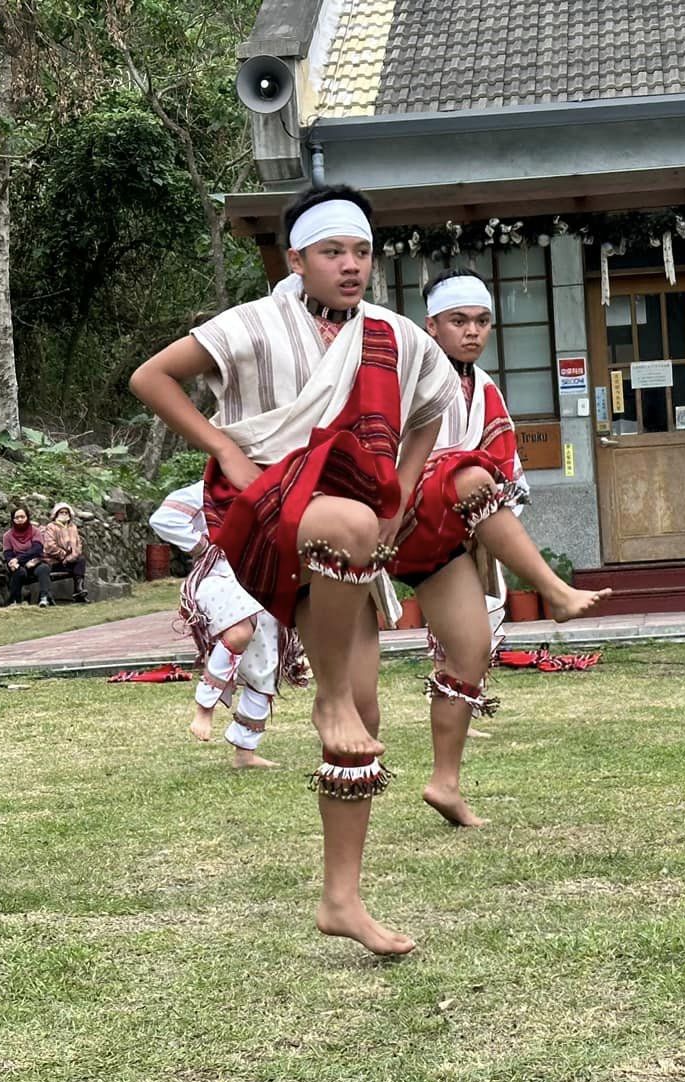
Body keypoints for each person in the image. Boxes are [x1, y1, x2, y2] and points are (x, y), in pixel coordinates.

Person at [128, 184, 458, 956]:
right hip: (262, 510)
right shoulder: (251, 324)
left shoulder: (396, 337)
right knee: (350, 532)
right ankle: (327, 697)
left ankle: (342, 899)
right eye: (332, 251)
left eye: (362, 252)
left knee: (366, 721)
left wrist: (403, 488)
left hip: (343, 545)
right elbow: (151, 377)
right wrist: (223, 447)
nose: (351, 265)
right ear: (296, 259)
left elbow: (430, 408)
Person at [389, 268, 610, 826]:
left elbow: (506, 467)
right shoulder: (404, 375)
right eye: (458, 321)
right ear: (431, 325)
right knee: (469, 474)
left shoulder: (483, 386)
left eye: (482, 321)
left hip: (444, 529)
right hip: (395, 513)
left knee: (470, 649)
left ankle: (445, 783)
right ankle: (554, 591)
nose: (472, 331)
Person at [148, 480, 290, 769]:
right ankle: (204, 708)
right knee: (240, 632)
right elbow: (164, 518)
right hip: (219, 575)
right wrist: (203, 546)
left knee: (264, 668)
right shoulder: (212, 488)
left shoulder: (279, 484)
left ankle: (245, 752)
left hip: (261, 580)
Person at [0, 507, 51, 606]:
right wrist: (12, 562)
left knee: (43, 568)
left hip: (34, 562)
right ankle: (15, 601)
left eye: (22, 517)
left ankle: (44, 598)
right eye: (17, 517)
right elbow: (8, 553)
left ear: (27, 517)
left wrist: (18, 559)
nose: (20, 519)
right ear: (13, 519)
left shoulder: (35, 531)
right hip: (18, 565)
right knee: (19, 572)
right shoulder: (7, 536)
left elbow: (37, 549)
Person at [41, 502, 88, 603]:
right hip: (54, 561)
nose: (64, 514)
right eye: (61, 512)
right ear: (56, 514)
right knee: (46, 566)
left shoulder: (73, 527)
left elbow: (78, 544)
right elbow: (49, 546)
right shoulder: (51, 527)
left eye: (66, 512)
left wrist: (72, 556)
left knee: (81, 560)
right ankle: (47, 596)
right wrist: (63, 555)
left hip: (69, 560)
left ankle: (79, 590)